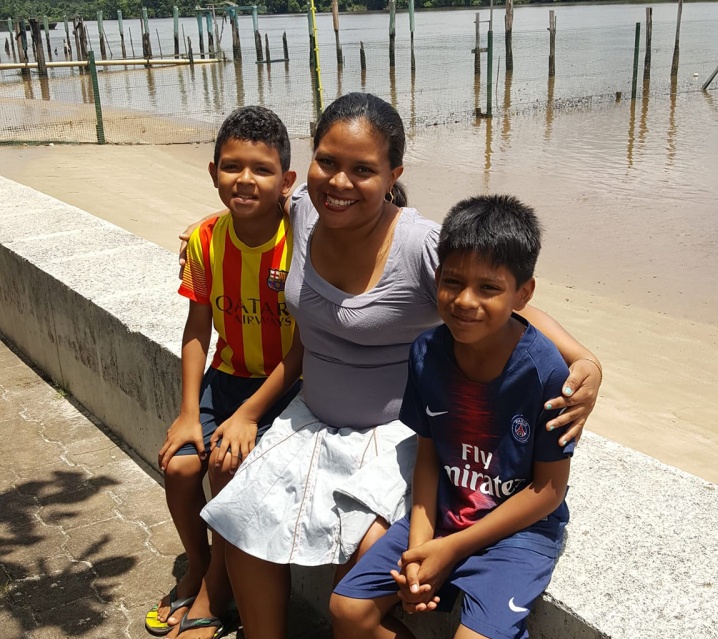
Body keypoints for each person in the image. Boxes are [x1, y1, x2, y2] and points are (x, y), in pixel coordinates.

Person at [198, 92, 602, 639]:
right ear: (308, 164)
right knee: (245, 510)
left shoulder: (418, 244)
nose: (339, 183)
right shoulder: (304, 212)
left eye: (363, 170)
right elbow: (249, 200)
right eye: (327, 162)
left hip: (395, 429)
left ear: (394, 175)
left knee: (364, 551)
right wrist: (200, 231)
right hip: (310, 415)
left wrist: (585, 361)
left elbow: (499, 293)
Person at [330, 194, 574, 639]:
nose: (465, 301)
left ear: (524, 292)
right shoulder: (427, 352)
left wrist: (450, 549)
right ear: (436, 276)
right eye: (453, 281)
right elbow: (429, 454)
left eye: (489, 288)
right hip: (447, 511)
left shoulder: (545, 372)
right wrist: (422, 545)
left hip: (519, 531)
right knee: (348, 610)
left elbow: (548, 490)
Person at [145, 106, 303, 638]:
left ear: (286, 181)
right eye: (232, 166)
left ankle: (215, 588)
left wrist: (251, 414)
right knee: (180, 467)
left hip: (286, 385)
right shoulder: (205, 240)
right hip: (227, 377)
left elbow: (304, 346)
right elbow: (197, 328)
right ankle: (199, 559)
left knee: (226, 465)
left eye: (261, 169)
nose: (245, 179)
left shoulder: (304, 242)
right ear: (213, 173)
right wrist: (190, 411)